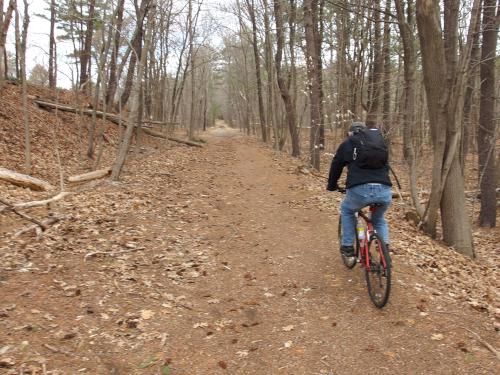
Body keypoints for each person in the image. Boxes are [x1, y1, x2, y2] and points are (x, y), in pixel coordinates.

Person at [326, 121, 392, 257]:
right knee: (378, 219)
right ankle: (384, 248)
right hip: (384, 189)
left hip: (359, 190)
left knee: (347, 210)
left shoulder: (348, 143)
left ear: (350, 133)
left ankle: (348, 246)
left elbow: (336, 165)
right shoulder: (378, 144)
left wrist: (332, 185)